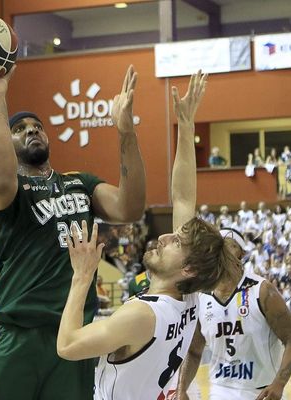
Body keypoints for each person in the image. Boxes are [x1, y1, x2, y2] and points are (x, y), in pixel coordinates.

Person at [0, 58, 146, 400]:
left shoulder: (80, 184)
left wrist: (126, 132)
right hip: (16, 332)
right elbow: (0, 176)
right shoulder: (4, 188)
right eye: (20, 128)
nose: (32, 130)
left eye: (37, 126)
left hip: (71, 337)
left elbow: (130, 208)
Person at [57, 73, 240, 400]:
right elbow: (183, 197)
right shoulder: (187, 297)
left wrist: (82, 275)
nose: (166, 237)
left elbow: (68, 346)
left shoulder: (142, 314)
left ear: (188, 269)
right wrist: (186, 126)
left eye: (177, 243)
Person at [177, 228, 291, 400]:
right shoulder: (202, 297)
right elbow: (194, 351)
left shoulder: (262, 291)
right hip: (221, 389)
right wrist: (182, 389)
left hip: (263, 391)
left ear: (241, 254)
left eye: (229, 246)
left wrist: (279, 384)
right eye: (218, 248)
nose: (221, 252)